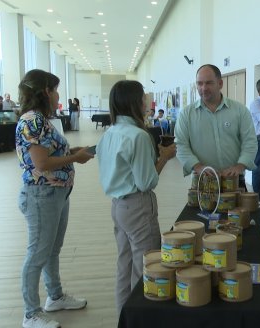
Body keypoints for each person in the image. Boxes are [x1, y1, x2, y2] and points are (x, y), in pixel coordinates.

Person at [15, 69, 94, 328]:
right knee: (38, 253)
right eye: (55, 89)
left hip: (56, 193)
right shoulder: (32, 121)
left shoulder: (41, 120)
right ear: (45, 91)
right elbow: (41, 162)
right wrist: (74, 158)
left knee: (51, 250)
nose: (58, 95)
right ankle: (30, 314)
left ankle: (55, 296)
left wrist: (72, 151)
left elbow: (51, 151)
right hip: (41, 195)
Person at [96, 80, 176, 315]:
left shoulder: (110, 133)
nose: (146, 103)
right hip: (138, 206)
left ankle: (125, 316)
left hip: (119, 207)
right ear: (135, 102)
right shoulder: (138, 136)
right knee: (147, 268)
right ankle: (142, 318)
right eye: (144, 98)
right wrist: (166, 157)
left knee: (125, 265)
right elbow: (147, 181)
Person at [175, 64, 257, 186]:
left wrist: (240, 166)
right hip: (202, 181)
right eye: (199, 83)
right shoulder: (186, 114)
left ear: (220, 84)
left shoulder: (240, 111)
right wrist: (198, 167)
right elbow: (181, 145)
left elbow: (250, 142)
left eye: (209, 83)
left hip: (234, 180)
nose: (203, 88)